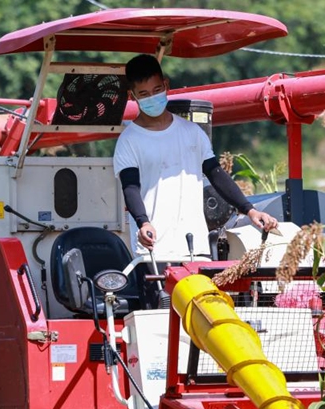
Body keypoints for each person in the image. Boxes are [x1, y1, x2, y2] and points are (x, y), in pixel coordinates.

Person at [113, 54, 278, 260]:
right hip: (153, 251)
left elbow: (216, 173)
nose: (152, 98)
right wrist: (143, 222)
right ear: (132, 96)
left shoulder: (192, 132)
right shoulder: (129, 140)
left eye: (157, 90)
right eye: (144, 94)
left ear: (166, 85)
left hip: (195, 247)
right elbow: (130, 188)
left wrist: (250, 210)